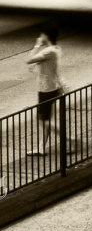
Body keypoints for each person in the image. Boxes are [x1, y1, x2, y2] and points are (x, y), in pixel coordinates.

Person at [25, 23, 64, 156]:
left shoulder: (48, 51)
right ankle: (41, 147)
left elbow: (28, 60)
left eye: (41, 34)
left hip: (46, 89)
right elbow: (47, 62)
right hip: (51, 86)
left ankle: (68, 139)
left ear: (46, 36)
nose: (40, 36)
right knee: (44, 119)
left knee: (44, 120)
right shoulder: (54, 49)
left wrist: (36, 45)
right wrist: (37, 63)